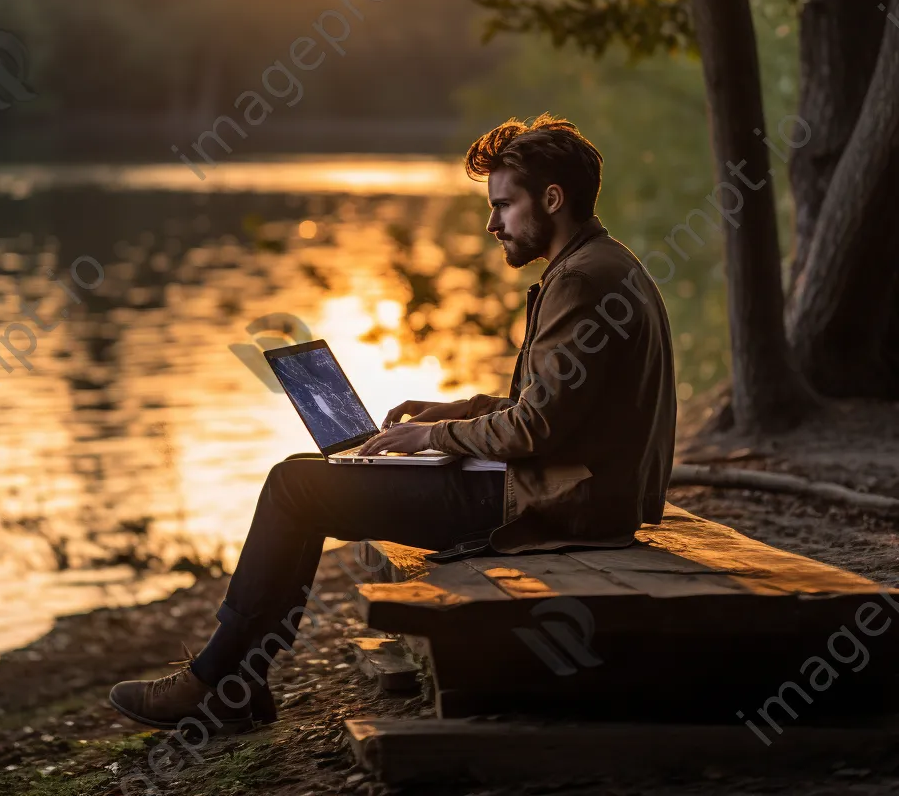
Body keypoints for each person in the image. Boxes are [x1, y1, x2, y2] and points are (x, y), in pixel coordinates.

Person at [108, 114, 677, 731]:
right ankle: (235, 681)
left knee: (294, 486)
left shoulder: (580, 281)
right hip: (574, 492)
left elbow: (536, 430)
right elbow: (555, 408)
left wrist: (429, 438)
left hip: (555, 505)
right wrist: (454, 412)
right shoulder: (605, 265)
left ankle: (217, 682)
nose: (492, 224)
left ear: (552, 199)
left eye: (503, 206)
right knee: (307, 476)